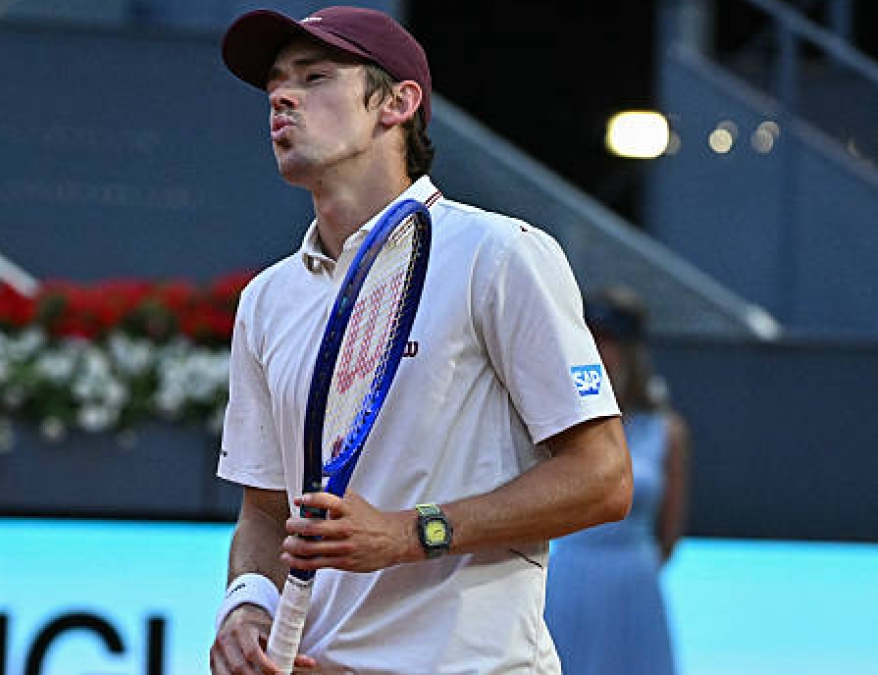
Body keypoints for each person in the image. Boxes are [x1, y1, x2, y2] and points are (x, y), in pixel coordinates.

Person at [211, 6, 633, 674]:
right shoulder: (267, 299)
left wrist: (410, 531)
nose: (281, 97)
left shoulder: (498, 255)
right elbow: (265, 510)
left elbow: (604, 477)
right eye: (274, 85)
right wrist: (247, 604)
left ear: (398, 103)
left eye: (314, 77)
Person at [545, 286, 690, 675]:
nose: (599, 351)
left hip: (635, 584)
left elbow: (670, 530)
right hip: (568, 580)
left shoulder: (666, 432)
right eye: (590, 338)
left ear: (631, 353)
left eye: (609, 340)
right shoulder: (555, 424)